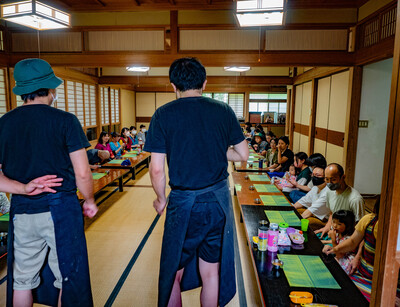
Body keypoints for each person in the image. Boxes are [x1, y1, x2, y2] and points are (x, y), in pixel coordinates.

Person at [144, 57, 249, 307]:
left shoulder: (163, 114)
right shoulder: (223, 110)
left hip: (184, 205)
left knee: (173, 273)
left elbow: (157, 170)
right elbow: (242, 155)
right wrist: (216, 149)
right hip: (217, 203)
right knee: (211, 271)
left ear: (173, 86)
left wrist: (160, 200)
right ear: (204, 82)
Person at [0, 58, 97, 306]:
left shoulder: (4, 123)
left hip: (22, 210)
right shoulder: (65, 121)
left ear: (21, 90)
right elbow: (83, 172)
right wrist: (89, 200)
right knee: (67, 278)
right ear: (51, 89)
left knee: (22, 281)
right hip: (60, 210)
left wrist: (23, 188)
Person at [323, 197, 400, 302]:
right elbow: (353, 242)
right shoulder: (369, 220)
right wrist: (335, 249)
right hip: (363, 274)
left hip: (389, 285)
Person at [316, 163, 365, 238]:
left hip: (346, 238)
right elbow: (332, 213)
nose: (329, 183)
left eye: (333, 179)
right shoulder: (330, 191)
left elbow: (360, 227)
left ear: (343, 177)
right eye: (327, 179)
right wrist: (327, 226)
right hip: (333, 232)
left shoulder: (355, 199)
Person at [325, 210, 357, 275]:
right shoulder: (339, 232)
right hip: (340, 254)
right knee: (326, 248)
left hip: (346, 260)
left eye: (339, 224)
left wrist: (333, 240)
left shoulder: (348, 238)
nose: (335, 225)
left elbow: (339, 255)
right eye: (333, 222)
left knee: (329, 265)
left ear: (348, 226)